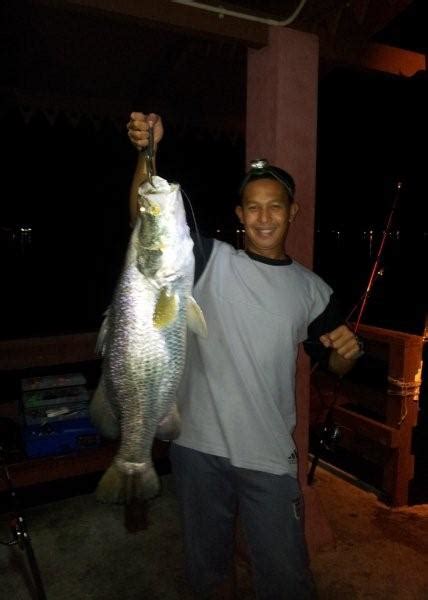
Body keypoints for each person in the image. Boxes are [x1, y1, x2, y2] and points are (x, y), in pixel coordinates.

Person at [126, 112, 362, 600]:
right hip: (196, 446)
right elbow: (145, 221)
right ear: (239, 214)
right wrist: (147, 154)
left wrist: (347, 353)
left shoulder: (312, 291)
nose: (264, 217)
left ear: (292, 211)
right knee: (208, 573)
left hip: (269, 456)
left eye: (275, 207)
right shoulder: (208, 260)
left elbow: (332, 365)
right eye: (253, 208)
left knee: (286, 578)